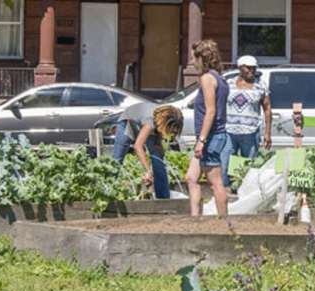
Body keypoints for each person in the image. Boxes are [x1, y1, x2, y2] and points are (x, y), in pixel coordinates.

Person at [185, 39, 230, 217]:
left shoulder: (207, 79)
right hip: (210, 136)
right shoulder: (220, 79)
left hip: (210, 137)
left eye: (193, 59)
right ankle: (196, 219)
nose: (193, 63)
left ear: (201, 58)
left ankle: (223, 221)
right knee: (191, 177)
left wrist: (202, 140)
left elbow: (210, 111)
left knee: (215, 182)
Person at [112, 103, 184, 199]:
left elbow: (159, 147)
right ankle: (108, 192)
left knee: (158, 160)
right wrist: (148, 171)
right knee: (117, 160)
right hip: (128, 122)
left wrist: (159, 161)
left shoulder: (160, 124)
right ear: (165, 123)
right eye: (171, 130)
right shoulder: (150, 122)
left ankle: (163, 198)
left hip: (144, 123)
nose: (172, 133)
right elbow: (138, 146)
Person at [225, 55, 272, 185]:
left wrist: (267, 133)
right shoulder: (229, 84)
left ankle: (244, 189)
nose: (252, 71)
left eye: (254, 68)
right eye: (248, 68)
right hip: (230, 132)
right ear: (240, 68)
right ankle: (230, 189)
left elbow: (267, 109)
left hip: (250, 133)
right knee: (228, 164)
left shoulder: (260, 86)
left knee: (248, 165)